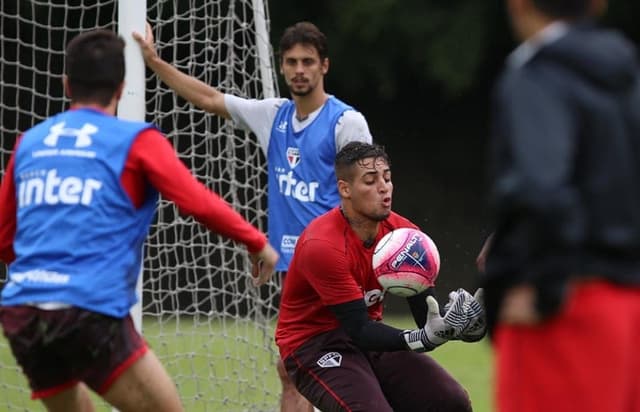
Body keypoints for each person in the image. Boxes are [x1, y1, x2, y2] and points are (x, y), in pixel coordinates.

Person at [0, 29, 278, 412]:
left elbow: (4, 235)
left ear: (66, 85)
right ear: (121, 87)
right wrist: (257, 241)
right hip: (88, 310)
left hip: (23, 311)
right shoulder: (135, 140)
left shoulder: (28, 142)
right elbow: (194, 200)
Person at [133, 21, 372, 411]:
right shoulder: (272, 115)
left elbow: (366, 189)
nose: (299, 69)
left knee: (308, 365)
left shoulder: (346, 122)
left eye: (308, 61)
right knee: (299, 367)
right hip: (293, 267)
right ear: (281, 66)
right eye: (292, 61)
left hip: (335, 262)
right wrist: (155, 62)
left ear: (324, 66)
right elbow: (210, 99)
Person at [481, 0, 640, 411]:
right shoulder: (627, 72)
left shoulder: (537, 75)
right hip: (629, 307)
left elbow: (542, 188)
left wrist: (546, 290)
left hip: (569, 310)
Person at [275, 141, 486, 412]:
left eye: (387, 178)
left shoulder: (405, 236)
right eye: (370, 181)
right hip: (314, 346)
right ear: (345, 189)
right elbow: (359, 329)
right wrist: (420, 338)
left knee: (451, 402)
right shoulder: (322, 246)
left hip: (369, 338)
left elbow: (426, 317)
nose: (383, 187)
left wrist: (457, 326)